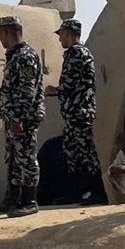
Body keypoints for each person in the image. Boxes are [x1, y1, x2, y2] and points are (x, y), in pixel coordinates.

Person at [45, 19, 101, 205]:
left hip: (79, 112)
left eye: (61, 34)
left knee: (85, 151)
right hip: (74, 113)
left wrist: (54, 90)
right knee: (71, 152)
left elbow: (70, 82)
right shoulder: (80, 52)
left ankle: (96, 192)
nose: (59, 38)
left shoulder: (76, 53)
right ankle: (75, 192)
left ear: (68, 33)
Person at [0, 16, 46, 217]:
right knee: (15, 159)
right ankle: (13, 199)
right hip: (13, 118)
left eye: (1, 34)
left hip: (23, 119)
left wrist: (18, 119)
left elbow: (27, 90)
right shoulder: (15, 56)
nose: (1, 39)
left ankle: (29, 201)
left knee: (26, 157)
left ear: (7, 32)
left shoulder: (25, 56)